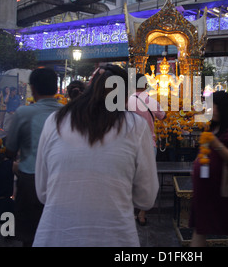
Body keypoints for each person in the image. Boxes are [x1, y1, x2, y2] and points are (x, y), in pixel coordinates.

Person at [33, 64, 158, 247]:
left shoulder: (55, 120)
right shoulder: (135, 126)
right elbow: (146, 198)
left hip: (55, 236)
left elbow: (43, 192)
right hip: (115, 237)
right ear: (125, 96)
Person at [5, 67, 63, 247]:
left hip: (30, 180)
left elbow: (10, 149)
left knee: (31, 235)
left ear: (33, 88)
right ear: (56, 87)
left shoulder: (23, 113)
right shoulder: (68, 112)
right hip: (60, 180)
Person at [190, 91, 228, 247]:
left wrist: (216, 144)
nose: (209, 110)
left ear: (222, 107)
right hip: (205, 190)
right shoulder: (212, 127)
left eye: (212, 107)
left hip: (222, 190)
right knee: (200, 228)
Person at [127, 73, 166, 226]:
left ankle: (130, 213)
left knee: (129, 179)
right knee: (146, 179)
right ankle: (142, 215)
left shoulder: (127, 101)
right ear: (145, 85)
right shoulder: (152, 101)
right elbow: (162, 116)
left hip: (129, 144)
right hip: (149, 145)